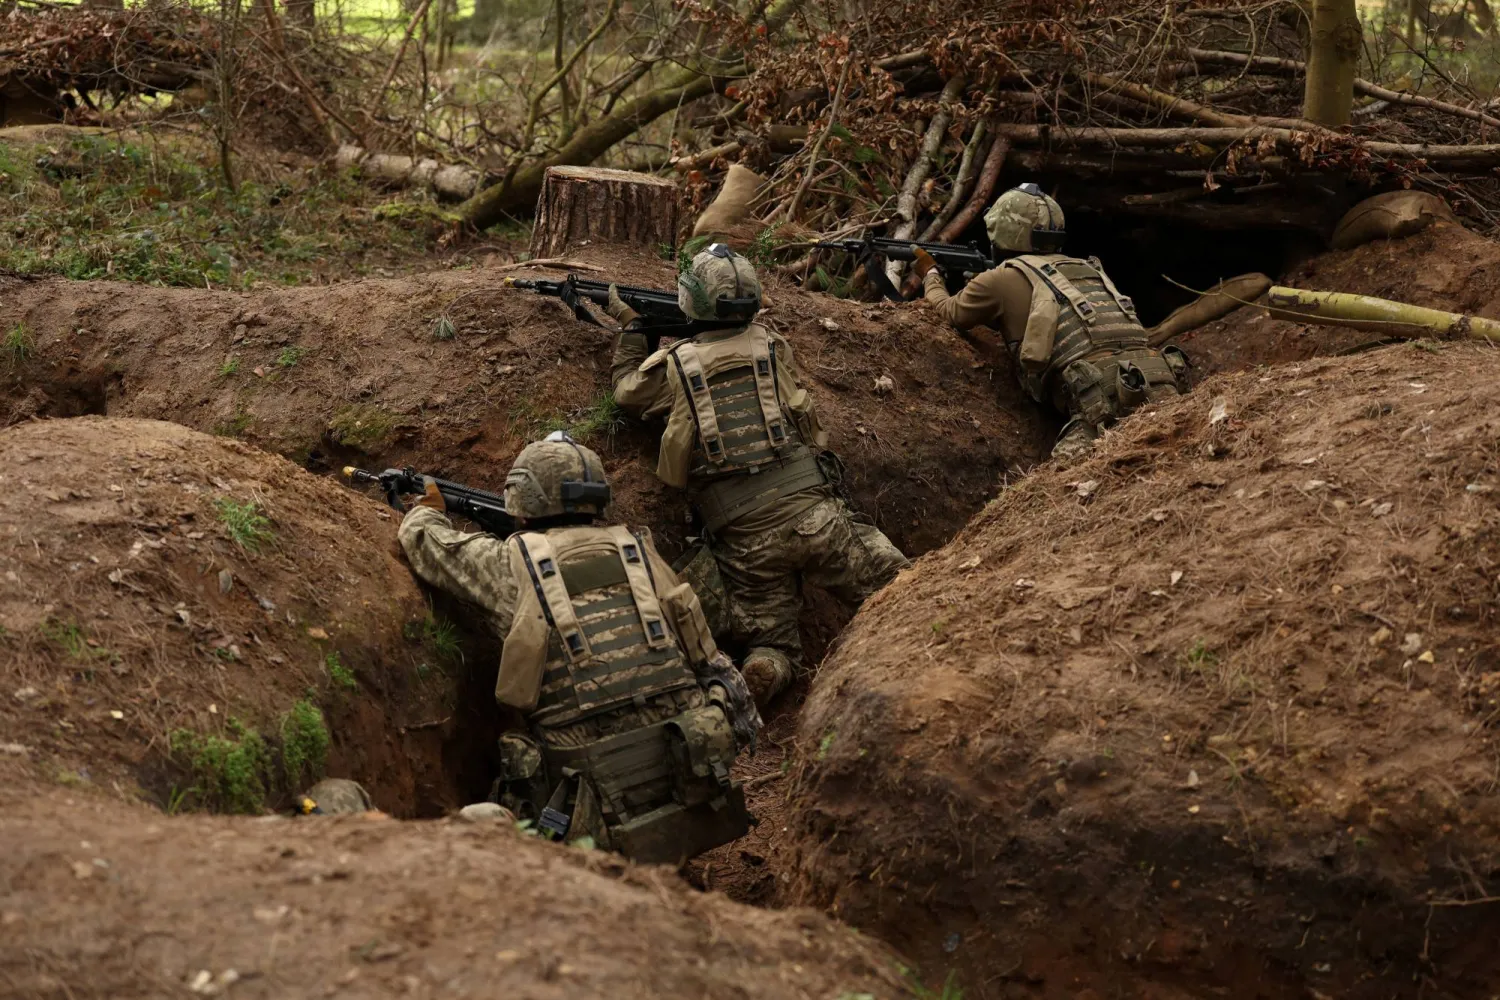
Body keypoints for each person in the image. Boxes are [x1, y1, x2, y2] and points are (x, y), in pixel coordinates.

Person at [397, 432, 761, 864]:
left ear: (523, 495)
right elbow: (713, 666)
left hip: (588, 819)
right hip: (692, 787)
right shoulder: (640, 553)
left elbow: (421, 538)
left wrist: (428, 507)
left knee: (480, 821)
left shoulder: (511, 565)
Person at [608, 244, 909, 708]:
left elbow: (627, 393)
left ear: (690, 301)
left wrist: (633, 329)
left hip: (745, 538)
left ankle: (770, 662)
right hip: (816, 517)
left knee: (771, 636)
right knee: (897, 583)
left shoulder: (674, 367)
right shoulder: (772, 345)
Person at [914, 183, 1191, 462]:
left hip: (1103, 400)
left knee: (1066, 475)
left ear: (1004, 230)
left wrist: (930, 274)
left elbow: (948, 312)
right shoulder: (1088, 268)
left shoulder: (1000, 278)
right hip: (1162, 380)